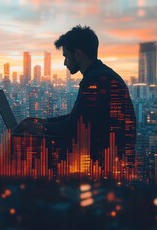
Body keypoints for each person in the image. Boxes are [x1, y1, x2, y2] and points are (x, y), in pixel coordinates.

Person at [13, 25, 136, 163]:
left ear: (78, 54)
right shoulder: (101, 75)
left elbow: (76, 127)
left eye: (66, 56)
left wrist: (42, 127)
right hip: (109, 155)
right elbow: (78, 118)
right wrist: (42, 122)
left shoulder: (96, 80)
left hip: (107, 161)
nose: (65, 63)